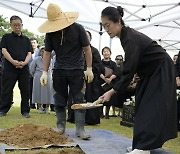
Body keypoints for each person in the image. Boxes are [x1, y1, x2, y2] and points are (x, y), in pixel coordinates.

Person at [99, 6, 177, 154]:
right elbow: (132, 64)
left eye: (107, 25)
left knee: (150, 108)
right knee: (141, 104)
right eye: (103, 26)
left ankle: (143, 148)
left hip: (160, 69)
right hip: (149, 72)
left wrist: (112, 91)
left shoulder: (130, 37)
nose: (106, 29)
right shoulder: (125, 36)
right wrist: (120, 76)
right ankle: (140, 144)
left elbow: (129, 69)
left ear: (118, 22)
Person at [38, 3, 93, 140]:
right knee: (59, 99)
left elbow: (87, 49)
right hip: (59, 70)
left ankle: (80, 129)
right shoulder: (50, 32)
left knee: (79, 99)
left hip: (76, 70)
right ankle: (60, 126)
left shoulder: (78, 29)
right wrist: (44, 72)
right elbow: (47, 53)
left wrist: (89, 68)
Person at [0, 15, 32, 118]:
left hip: (24, 68)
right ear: (11, 26)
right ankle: (3, 109)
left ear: (22, 25)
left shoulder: (26, 39)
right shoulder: (6, 37)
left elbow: (29, 53)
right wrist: (13, 62)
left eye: (19, 25)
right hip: (10, 68)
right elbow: (4, 51)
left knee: (25, 90)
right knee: (6, 89)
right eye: (14, 25)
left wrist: (24, 62)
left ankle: (25, 111)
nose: (17, 27)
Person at [30, 46, 53, 114]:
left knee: (48, 92)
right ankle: (39, 107)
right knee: (38, 91)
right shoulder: (36, 59)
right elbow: (31, 69)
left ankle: (47, 107)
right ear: (40, 52)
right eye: (42, 51)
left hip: (48, 76)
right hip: (38, 76)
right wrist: (36, 75)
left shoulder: (50, 59)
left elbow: (52, 69)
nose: (43, 53)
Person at [99, 46, 118, 119]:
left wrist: (110, 78)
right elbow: (98, 72)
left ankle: (107, 114)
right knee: (101, 97)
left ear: (110, 53)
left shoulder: (113, 63)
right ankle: (101, 113)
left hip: (110, 83)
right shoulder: (100, 63)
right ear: (102, 53)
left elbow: (117, 72)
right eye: (104, 51)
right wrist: (104, 79)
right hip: (101, 83)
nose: (106, 53)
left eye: (107, 51)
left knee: (109, 99)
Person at [29, 37, 39, 109]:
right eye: (31, 43)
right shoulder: (27, 52)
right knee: (30, 89)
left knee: (39, 89)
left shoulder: (41, 52)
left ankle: (40, 104)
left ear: (37, 43)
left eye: (34, 43)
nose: (32, 44)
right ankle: (32, 103)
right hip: (29, 74)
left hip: (38, 74)